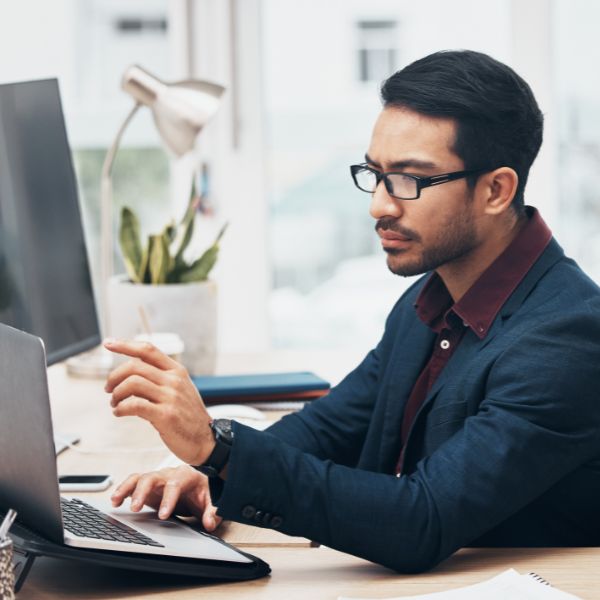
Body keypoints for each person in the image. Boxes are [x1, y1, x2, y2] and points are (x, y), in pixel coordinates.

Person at [104, 50, 600, 573]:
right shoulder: (430, 298)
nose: (380, 205)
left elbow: (420, 519)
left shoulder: (567, 339)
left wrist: (218, 449)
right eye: (375, 173)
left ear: (496, 190)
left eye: (410, 179)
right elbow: (330, 429)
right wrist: (212, 470)